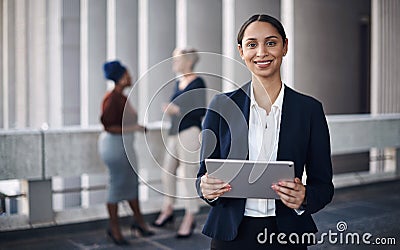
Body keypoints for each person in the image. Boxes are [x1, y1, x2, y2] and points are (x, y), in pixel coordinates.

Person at [197, 14, 334, 249]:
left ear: (285, 47)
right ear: (241, 51)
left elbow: (323, 185)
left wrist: (304, 198)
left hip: (287, 234)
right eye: (252, 44)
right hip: (231, 234)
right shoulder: (221, 107)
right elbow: (202, 177)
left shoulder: (309, 110)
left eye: (271, 43)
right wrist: (206, 189)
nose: (262, 52)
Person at [98, 60, 154, 246]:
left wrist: (134, 128)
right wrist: (134, 127)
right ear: (121, 78)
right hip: (114, 146)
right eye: (127, 74)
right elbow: (109, 126)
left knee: (130, 183)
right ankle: (114, 229)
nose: (130, 77)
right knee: (116, 185)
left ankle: (139, 223)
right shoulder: (112, 98)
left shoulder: (120, 97)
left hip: (123, 146)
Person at [152, 48, 206, 238]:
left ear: (187, 61)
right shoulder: (178, 83)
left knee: (189, 176)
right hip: (174, 133)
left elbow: (200, 110)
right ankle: (168, 208)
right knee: (167, 172)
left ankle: (189, 217)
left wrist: (178, 110)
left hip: (190, 133)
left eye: (177, 60)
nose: (174, 63)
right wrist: (171, 110)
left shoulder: (198, 82)